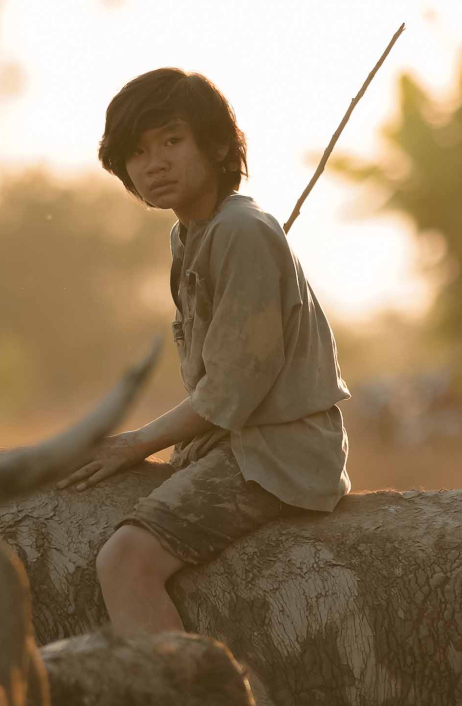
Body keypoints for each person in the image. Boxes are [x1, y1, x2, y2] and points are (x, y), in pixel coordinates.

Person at [60, 67, 351, 642]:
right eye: (137, 152)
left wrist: (134, 444)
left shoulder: (241, 232)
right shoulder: (191, 235)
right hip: (235, 442)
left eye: (172, 141)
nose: (155, 164)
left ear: (217, 146)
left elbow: (228, 391)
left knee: (125, 561)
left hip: (278, 454)